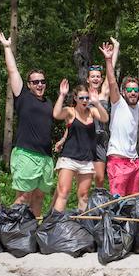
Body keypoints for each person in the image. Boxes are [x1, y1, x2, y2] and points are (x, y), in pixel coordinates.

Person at [0, 31, 54, 217]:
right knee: (24, 198)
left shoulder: (48, 103)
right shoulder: (22, 97)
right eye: (35, 82)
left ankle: (32, 233)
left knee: (38, 197)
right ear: (29, 84)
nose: (39, 85)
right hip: (26, 154)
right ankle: (9, 227)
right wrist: (7, 47)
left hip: (45, 157)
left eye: (42, 81)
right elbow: (13, 71)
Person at [55, 38, 120, 188]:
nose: (96, 78)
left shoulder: (103, 94)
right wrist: (63, 139)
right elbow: (72, 121)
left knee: (99, 179)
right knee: (68, 182)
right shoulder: (83, 96)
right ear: (88, 79)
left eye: (98, 76)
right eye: (93, 76)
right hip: (81, 138)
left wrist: (113, 52)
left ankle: (94, 206)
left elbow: (111, 76)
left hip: (99, 138)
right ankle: (55, 209)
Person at [99, 42, 139, 196]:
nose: (133, 92)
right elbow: (111, 82)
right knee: (118, 201)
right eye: (129, 90)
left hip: (134, 162)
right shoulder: (118, 103)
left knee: (132, 202)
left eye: (135, 89)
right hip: (118, 160)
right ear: (123, 92)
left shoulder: (136, 105)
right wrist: (108, 60)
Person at [52, 81, 108, 212]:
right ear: (75, 98)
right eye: (81, 98)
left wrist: (97, 102)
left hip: (86, 160)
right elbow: (56, 114)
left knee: (83, 196)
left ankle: (82, 226)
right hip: (69, 159)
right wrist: (62, 95)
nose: (84, 101)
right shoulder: (70, 112)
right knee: (63, 192)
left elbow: (105, 118)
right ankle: (54, 224)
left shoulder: (92, 111)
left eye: (87, 98)